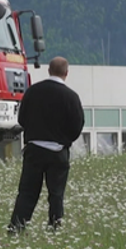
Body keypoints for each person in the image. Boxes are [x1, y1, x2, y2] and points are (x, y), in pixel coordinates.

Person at [8, 57, 84, 232]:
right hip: (57, 151)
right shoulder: (71, 96)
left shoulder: (33, 92)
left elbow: (22, 118)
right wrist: (65, 141)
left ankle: (17, 228)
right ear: (66, 73)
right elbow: (77, 125)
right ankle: (55, 227)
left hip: (34, 149)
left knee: (27, 192)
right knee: (56, 194)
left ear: (48, 70)